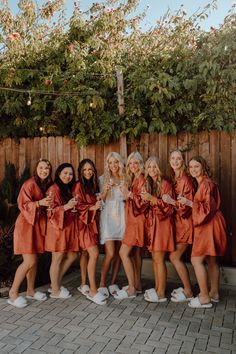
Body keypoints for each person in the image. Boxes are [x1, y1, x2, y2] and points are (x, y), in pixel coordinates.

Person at [178, 156, 227, 308]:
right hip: (213, 222)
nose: (193, 169)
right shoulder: (203, 183)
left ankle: (204, 297)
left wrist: (189, 203)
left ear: (203, 167)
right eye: (191, 167)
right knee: (211, 260)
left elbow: (206, 210)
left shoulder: (206, 184)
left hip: (209, 224)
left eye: (196, 166)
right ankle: (214, 293)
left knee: (196, 260)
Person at [7, 158, 53, 308]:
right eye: (41, 167)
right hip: (26, 226)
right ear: (36, 169)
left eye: (47, 168)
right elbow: (23, 204)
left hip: (36, 226)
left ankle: (30, 291)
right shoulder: (29, 184)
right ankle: (13, 294)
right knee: (29, 261)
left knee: (35, 260)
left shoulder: (45, 185)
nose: (44, 170)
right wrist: (40, 203)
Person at [141, 156, 175, 302]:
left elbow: (169, 208)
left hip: (163, 224)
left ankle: (161, 293)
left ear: (159, 168)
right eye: (149, 167)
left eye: (154, 167)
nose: (152, 170)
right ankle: (157, 287)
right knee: (155, 258)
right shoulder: (150, 183)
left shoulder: (165, 183)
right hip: (153, 224)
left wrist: (151, 199)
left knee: (160, 259)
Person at [163, 149, 195, 302]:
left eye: (179, 159)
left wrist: (170, 202)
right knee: (174, 256)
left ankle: (188, 291)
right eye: (173, 158)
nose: (175, 161)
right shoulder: (173, 178)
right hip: (177, 224)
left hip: (185, 224)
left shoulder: (186, 180)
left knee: (174, 256)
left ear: (183, 161)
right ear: (170, 161)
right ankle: (186, 287)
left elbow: (186, 207)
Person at [74, 158, 107, 305]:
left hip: (92, 222)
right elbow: (78, 206)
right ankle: (93, 291)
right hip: (83, 224)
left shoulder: (93, 184)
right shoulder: (78, 186)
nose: (88, 172)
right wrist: (92, 208)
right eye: (85, 170)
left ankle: (83, 284)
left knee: (86, 253)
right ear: (80, 172)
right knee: (94, 254)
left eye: (90, 170)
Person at [114, 151, 147, 300]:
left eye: (136, 163)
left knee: (123, 253)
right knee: (135, 254)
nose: (133, 166)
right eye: (130, 163)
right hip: (133, 219)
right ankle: (137, 285)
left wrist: (128, 194)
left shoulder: (141, 179)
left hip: (137, 220)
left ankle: (132, 289)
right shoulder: (134, 178)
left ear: (141, 164)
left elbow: (142, 202)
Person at [45, 163, 79, 299]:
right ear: (59, 173)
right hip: (56, 229)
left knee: (72, 256)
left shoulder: (67, 188)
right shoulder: (53, 189)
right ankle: (55, 291)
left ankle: (55, 283)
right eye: (65, 173)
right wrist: (66, 207)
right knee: (57, 259)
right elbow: (50, 212)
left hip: (67, 228)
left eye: (70, 174)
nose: (68, 176)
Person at [98, 152, 127, 297]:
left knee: (119, 254)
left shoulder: (125, 178)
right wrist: (105, 190)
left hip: (123, 218)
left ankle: (113, 282)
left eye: (116, 162)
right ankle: (102, 283)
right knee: (110, 253)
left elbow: (128, 199)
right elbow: (100, 200)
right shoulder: (103, 179)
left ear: (120, 163)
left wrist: (123, 189)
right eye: (110, 163)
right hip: (108, 219)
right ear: (107, 164)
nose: (113, 165)